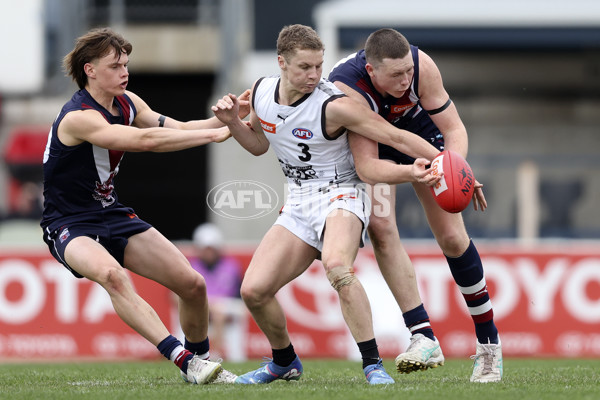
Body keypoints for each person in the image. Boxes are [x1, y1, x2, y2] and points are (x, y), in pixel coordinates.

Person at [211, 24, 442, 385]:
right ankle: (284, 361)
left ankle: (372, 364)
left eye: (319, 65)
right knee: (253, 291)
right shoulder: (260, 91)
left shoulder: (334, 105)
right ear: (281, 63)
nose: (315, 75)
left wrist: (448, 164)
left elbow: (395, 136)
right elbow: (258, 145)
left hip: (342, 194)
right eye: (305, 67)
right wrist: (232, 123)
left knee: (337, 266)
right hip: (299, 200)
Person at [40, 27, 250, 384]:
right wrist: (215, 135)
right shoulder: (79, 117)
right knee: (112, 276)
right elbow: (147, 141)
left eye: (126, 64)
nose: (125, 72)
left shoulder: (129, 102)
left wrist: (228, 117)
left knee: (193, 285)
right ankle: (184, 360)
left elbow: (181, 127)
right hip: (69, 223)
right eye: (115, 65)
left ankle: (200, 364)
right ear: (89, 70)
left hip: (111, 212)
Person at [328, 28, 502, 382]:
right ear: (372, 71)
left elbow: (454, 129)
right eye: (396, 74)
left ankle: (489, 346)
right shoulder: (346, 88)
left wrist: (454, 170)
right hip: (378, 147)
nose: (406, 79)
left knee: (453, 238)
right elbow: (368, 167)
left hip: (425, 139)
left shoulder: (422, 65)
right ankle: (423, 335)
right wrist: (415, 172)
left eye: (408, 70)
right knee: (381, 228)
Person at [188, 223, 243, 359]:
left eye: (212, 248)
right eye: (205, 249)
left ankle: (215, 354)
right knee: (215, 309)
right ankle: (209, 353)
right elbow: (175, 295)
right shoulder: (190, 266)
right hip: (201, 305)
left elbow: (239, 294)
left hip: (228, 305)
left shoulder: (231, 266)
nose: (209, 252)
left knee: (219, 311)